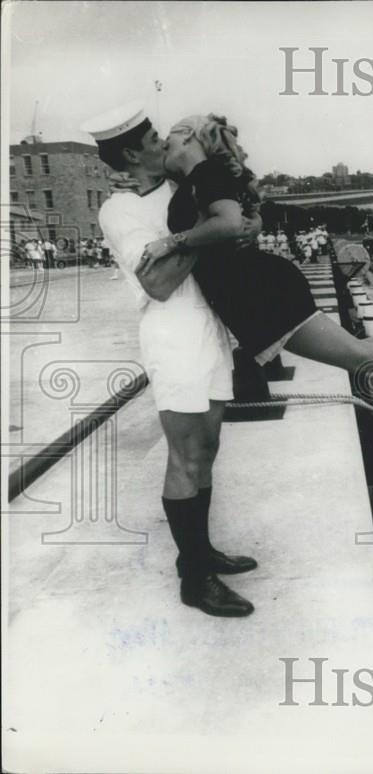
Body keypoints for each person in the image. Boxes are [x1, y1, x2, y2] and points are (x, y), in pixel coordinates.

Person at [137, 113, 373, 385]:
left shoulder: (206, 176)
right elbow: (237, 216)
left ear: (187, 137)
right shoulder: (204, 177)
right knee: (361, 350)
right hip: (257, 287)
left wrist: (172, 241)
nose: (164, 144)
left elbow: (228, 223)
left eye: (168, 137)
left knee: (359, 356)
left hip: (256, 293)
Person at [83, 102, 258, 618]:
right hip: (173, 332)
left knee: (208, 446)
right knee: (185, 455)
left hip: (210, 325)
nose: (165, 144)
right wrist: (212, 231)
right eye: (155, 138)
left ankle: (203, 551)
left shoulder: (181, 189)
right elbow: (157, 282)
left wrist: (240, 225)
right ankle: (194, 577)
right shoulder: (121, 211)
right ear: (133, 151)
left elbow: (235, 219)